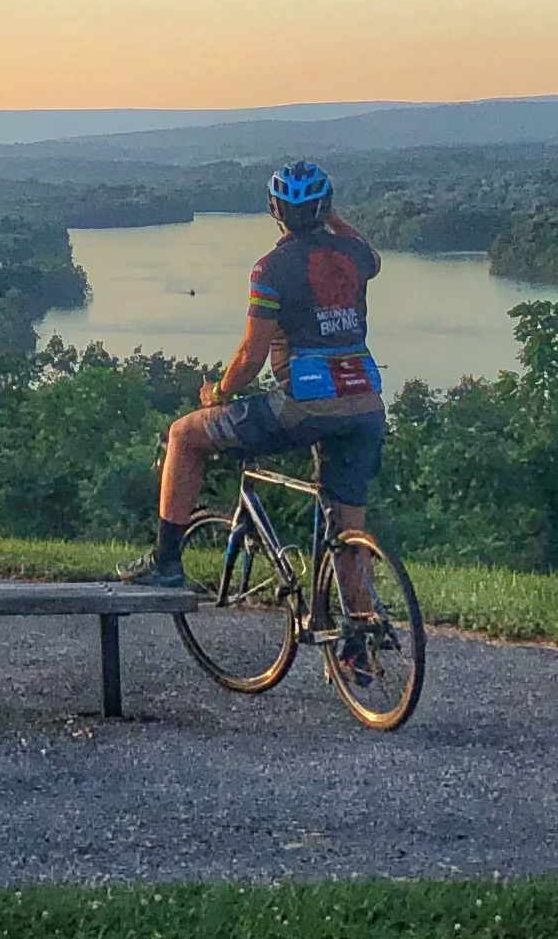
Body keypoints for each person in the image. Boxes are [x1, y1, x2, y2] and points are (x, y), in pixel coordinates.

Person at [122, 161, 398, 683]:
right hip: (364, 404)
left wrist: (218, 393)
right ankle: (358, 638)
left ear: (275, 211)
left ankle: (165, 561)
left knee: (185, 434)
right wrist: (335, 218)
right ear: (326, 208)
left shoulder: (269, 270)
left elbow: (251, 354)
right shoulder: (354, 255)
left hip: (304, 405)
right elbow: (374, 254)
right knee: (348, 523)